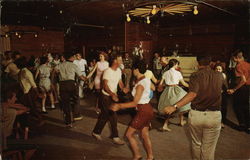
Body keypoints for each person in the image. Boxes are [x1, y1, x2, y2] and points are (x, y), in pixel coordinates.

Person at [164, 55, 224, 160]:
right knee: (208, 148)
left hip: (197, 115)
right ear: (211, 63)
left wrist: (174, 106)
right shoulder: (219, 76)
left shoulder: (195, 75)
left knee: (196, 144)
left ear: (198, 63)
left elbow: (192, 94)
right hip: (214, 115)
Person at [110, 60, 154, 160]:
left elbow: (134, 103)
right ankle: (150, 157)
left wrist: (119, 105)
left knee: (129, 135)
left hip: (143, 111)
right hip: (148, 109)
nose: (132, 71)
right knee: (144, 135)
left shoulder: (140, 84)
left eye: (133, 69)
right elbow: (153, 88)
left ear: (137, 69)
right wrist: (131, 91)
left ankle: (137, 156)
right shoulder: (146, 79)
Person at [92, 55, 128, 145]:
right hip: (106, 96)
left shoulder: (118, 70)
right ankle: (115, 137)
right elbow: (105, 85)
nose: (122, 61)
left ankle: (96, 132)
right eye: (120, 59)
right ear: (115, 61)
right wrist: (112, 94)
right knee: (113, 115)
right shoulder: (108, 71)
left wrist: (123, 88)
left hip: (113, 95)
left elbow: (120, 82)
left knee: (104, 115)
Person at [54, 52, 86, 127]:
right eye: (74, 56)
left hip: (62, 85)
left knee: (66, 103)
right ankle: (76, 115)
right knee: (76, 99)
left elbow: (55, 71)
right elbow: (81, 77)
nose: (74, 58)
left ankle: (68, 122)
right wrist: (86, 79)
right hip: (71, 84)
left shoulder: (59, 65)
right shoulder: (73, 65)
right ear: (71, 57)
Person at [157, 59, 190, 131]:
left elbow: (160, 84)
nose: (177, 66)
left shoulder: (165, 73)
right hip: (176, 90)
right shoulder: (178, 73)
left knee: (169, 107)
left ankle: (178, 122)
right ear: (175, 65)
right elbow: (184, 83)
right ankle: (174, 123)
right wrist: (189, 86)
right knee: (181, 104)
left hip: (167, 91)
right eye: (177, 64)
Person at [227, 51, 250, 134]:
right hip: (247, 88)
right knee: (246, 107)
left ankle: (242, 125)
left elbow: (242, 80)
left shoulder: (238, 66)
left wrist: (234, 89)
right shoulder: (248, 65)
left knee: (237, 107)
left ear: (236, 57)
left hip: (241, 88)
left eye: (233, 57)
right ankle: (248, 126)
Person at [214, 63, 228, 128]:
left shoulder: (223, 75)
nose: (218, 70)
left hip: (222, 94)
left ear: (222, 70)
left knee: (222, 108)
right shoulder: (213, 76)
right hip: (214, 94)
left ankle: (222, 122)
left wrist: (223, 90)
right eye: (216, 69)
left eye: (219, 69)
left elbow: (225, 86)